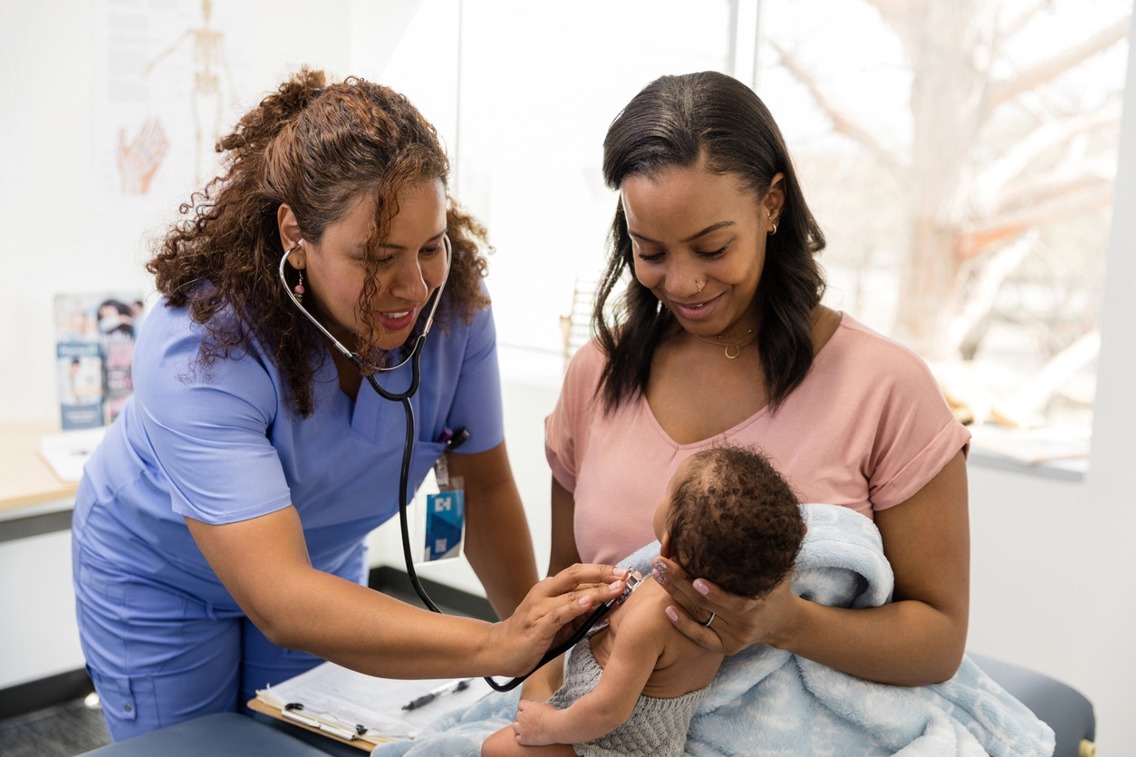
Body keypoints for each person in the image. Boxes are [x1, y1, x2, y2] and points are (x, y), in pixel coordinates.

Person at [71, 67, 626, 742]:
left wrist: (545, 656)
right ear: (294, 238)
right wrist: (497, 644)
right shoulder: (200, 344)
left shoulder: (455, 317)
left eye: (431, 246)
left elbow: (480, 486)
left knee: (303, 741)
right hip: (161, 575)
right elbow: (280, 598)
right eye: (375, 256)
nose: (413, 286)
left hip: (320, 567)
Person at [531, 70, 972, 704]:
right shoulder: (597, 374)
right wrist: (534, 707)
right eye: (650, 252)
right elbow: (564, 602)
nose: (681, 283)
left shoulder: (886, 388)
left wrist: (783, 622)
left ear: (771, 205)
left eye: (711, 249)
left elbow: (939, 641)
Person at [483, 444, 806, 757]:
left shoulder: (652, 617)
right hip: (652, 740)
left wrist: (548, 726)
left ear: (665, 548)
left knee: (496, 748)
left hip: (611, 743)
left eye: (668, 493)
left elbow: (607, 712)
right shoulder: (725, 608)